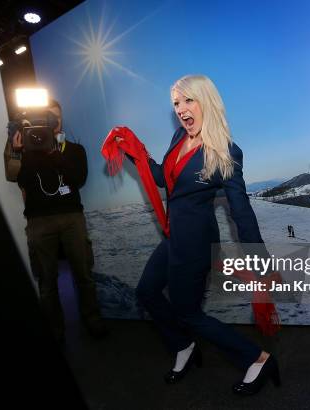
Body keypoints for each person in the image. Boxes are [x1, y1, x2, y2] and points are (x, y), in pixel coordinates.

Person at [118, 75, 280, 396]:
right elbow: (164, 180)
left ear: (205, 100)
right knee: (147, 291)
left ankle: (257, 359)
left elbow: (241, 212)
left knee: (187, 312)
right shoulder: (179, 136)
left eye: (187, 100)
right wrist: (135, 151)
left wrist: (261, 264)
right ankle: (184, 345)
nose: (181, 109)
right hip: (174, 237)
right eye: (176, 103)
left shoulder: (226, 152)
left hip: (196, 244)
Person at [13, 99, 108, 344]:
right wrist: (22, 152)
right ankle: (55, 330)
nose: (53, 122)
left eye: (57, 117)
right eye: (48, 117)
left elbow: (79, 178)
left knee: (83, 274)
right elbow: (22, 180)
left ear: (61, 120)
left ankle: (92, 318)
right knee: (47, 281)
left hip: (71, 217)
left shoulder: (75, 150)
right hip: (38, 221)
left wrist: (55, 153)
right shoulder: (29, 153)